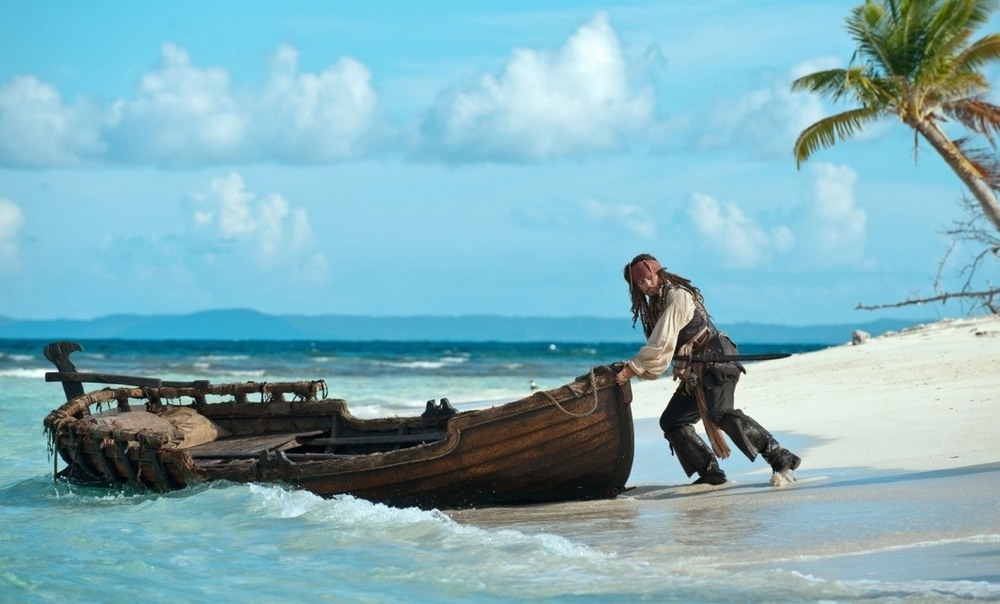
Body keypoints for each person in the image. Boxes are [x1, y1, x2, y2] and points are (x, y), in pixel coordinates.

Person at [614, 253, 800, 486]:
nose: (647, 285)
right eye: (641, 283)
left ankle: (781, 457)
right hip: (696, 373)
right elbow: (663, 345)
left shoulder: (678, 296)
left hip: (717, 363)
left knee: (720, 413)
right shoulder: (654, 307)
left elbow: (661, 343)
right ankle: (710, 473)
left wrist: (632, 369)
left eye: (649, 278)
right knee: (673, 421)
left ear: (659, 273)